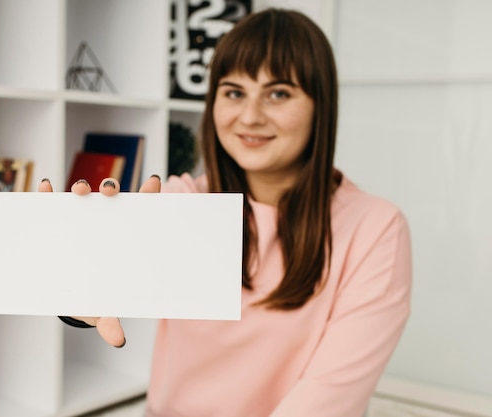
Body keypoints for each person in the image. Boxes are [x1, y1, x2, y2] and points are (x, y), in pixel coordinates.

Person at [39, 8, 412, 417]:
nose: (250, 116)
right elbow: (97, 286)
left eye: (279, 93)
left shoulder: (375, 228)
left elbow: (327, 400)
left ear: (321, 106)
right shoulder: (182, 201)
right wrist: (79, 285)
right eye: (234, 92)